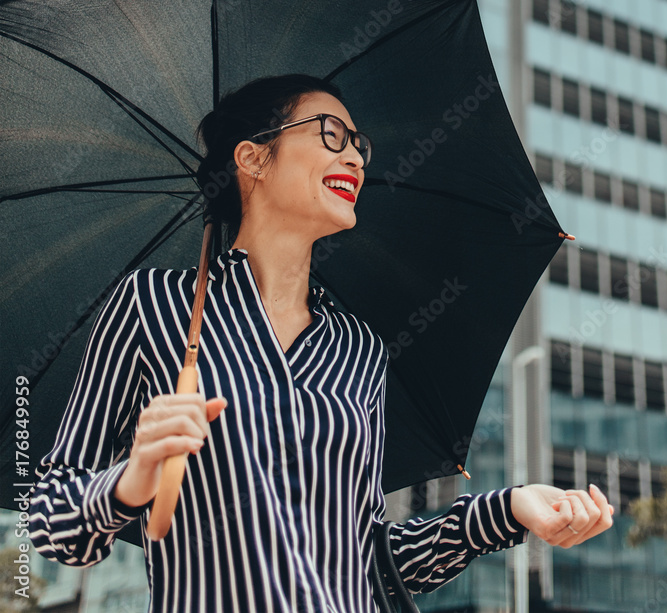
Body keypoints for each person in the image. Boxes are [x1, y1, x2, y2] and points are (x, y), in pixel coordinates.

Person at [28, 74, 613, 613]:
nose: (355, 155)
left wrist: (508, 510)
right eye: (331, 135)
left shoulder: (359, 349)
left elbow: (368, 561)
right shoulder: (153, 305)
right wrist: (133, 478)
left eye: (359, 143)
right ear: (254, 158)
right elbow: (52, 519)